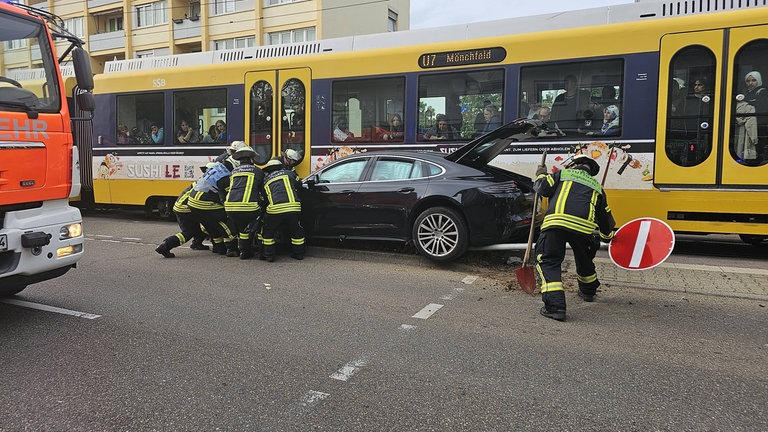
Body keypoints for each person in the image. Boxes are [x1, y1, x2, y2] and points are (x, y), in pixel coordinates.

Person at [533, 154, 615, 322]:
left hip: (556, 224)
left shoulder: (562, 174)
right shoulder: (597, 187)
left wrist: (541, 174)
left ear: (574, 165)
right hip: (583, 229)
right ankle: (588, 291)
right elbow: (605, 219)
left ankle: (555, 307)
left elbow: (542, 188)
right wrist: (607, 237)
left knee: (549, 261)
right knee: (584, 260)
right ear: (590, 171)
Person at [225, 146, 265, 260]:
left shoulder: (233, 172)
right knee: (259, 224)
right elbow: (262, 190)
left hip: (230, 207)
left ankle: (244, 252)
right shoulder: (257, 171)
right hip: (249, 207)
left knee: (242, 228)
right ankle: (261, 250)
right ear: (252, 159)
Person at [260, 159, 305, 262]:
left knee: (268, 232)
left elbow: (264, 198)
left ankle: (269, 255)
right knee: (296, 230)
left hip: (275, 210)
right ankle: (298, 254)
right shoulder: (289, 173)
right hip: (293, 207)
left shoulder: (266, 180)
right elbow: (299, 185)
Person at [154, 178, 211, 258]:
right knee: (188, 232)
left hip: (183, 205)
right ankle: (165, 246)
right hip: (186, 208)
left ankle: (197, 243)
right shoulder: (212, 182)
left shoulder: (204, 179)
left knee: (197, 227)